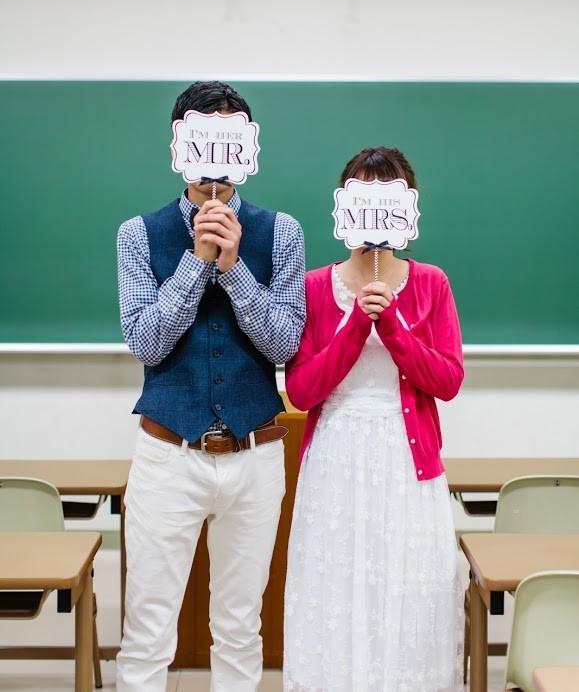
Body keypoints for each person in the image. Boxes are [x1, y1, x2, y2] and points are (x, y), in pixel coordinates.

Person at [116, 81, 306, 692]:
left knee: (240, 627)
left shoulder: (281, 232)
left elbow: (286, 346)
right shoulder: (137, 234)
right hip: (167, 454)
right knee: (147, 628)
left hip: (256, 453)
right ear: (180, 146)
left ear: (246, 149)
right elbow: (146, 342)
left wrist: (235, 268)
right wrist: (196, 262)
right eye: (205, 136)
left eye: (231, 138)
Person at [283, 146, 464, 692]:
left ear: (405, 208)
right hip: (336, 457)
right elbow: (301, 390)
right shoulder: (316, 286)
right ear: (345, 206)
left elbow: (447, 380)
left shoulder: (431, 282)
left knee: (407, 593)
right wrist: (355, 326)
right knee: (335, 592)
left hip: (408, 464)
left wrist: (396, 330)